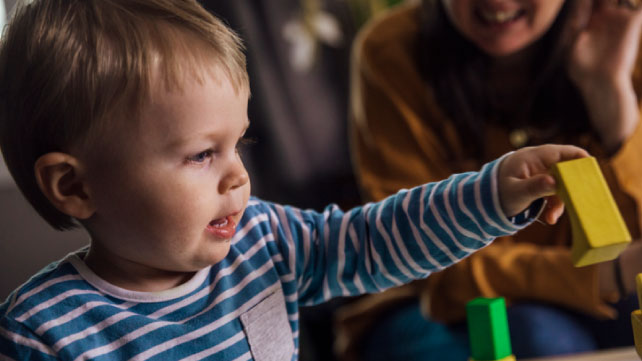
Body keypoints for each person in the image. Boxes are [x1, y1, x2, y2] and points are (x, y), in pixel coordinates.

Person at [0, 0, 587, 359]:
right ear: (75, 187)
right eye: (201, 154)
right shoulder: (44, 332)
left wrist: (492, 194)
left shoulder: (263, 241)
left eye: (239, 143)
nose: (237, 175)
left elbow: (376, 239)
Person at [342, 0, 642, 360]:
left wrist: (609, 90)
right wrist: (600, 275)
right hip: (429, 305)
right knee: (537, 335)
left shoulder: (623, 27)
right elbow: (418, 258)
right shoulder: (391, 51)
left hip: (599, 294)